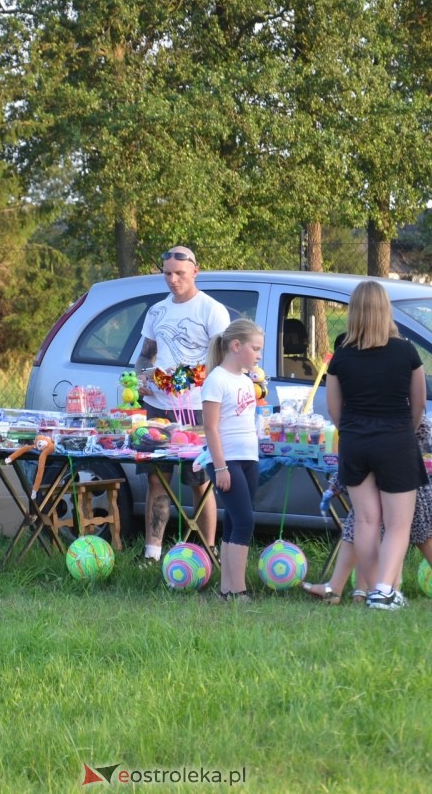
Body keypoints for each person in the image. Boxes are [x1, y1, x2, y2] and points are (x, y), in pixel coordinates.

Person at [324, 280, 427, 611]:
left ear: (353, 312)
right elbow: (419, 404)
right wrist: (403, 431)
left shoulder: (340, 357)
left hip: (355, 442)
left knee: (366, 521)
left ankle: (373, 590)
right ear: (386, 310)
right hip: (396, 439)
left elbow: (334, 410)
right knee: (398, 524)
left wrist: (353, 430)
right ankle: (384, 590)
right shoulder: (406, 352)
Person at [134, 246, 231, 563]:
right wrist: (144, 382)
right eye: (167, 274)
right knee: (155, 478)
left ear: (195, 271)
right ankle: (152, 553)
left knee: (199, 480)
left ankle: (208, 550)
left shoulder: (212, 310)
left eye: (179, 274)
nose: (173, 280)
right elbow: (145, 354)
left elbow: (223, 359)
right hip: (159, 410)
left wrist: (197, 380)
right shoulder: (156, 312)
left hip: (199, 409)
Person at [302, 416, 432, 604]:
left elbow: (365, 447)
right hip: (395, 478)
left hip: (399, 483)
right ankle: (344, 589)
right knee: (359, 530)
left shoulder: (389, 416)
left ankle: (381, 591)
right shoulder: (392, 416)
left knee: (416, 538)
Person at [200, 319, 264, 601]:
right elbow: (211, 427)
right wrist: (221, 466)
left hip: (248, 458)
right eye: (256, 348)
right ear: (236, 346)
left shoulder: (247, 382)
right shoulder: (216, 379)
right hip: (227, 461)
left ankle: (226, 589)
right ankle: (238, 590)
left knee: (237, 521)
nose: (259, 355)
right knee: (245, 521)